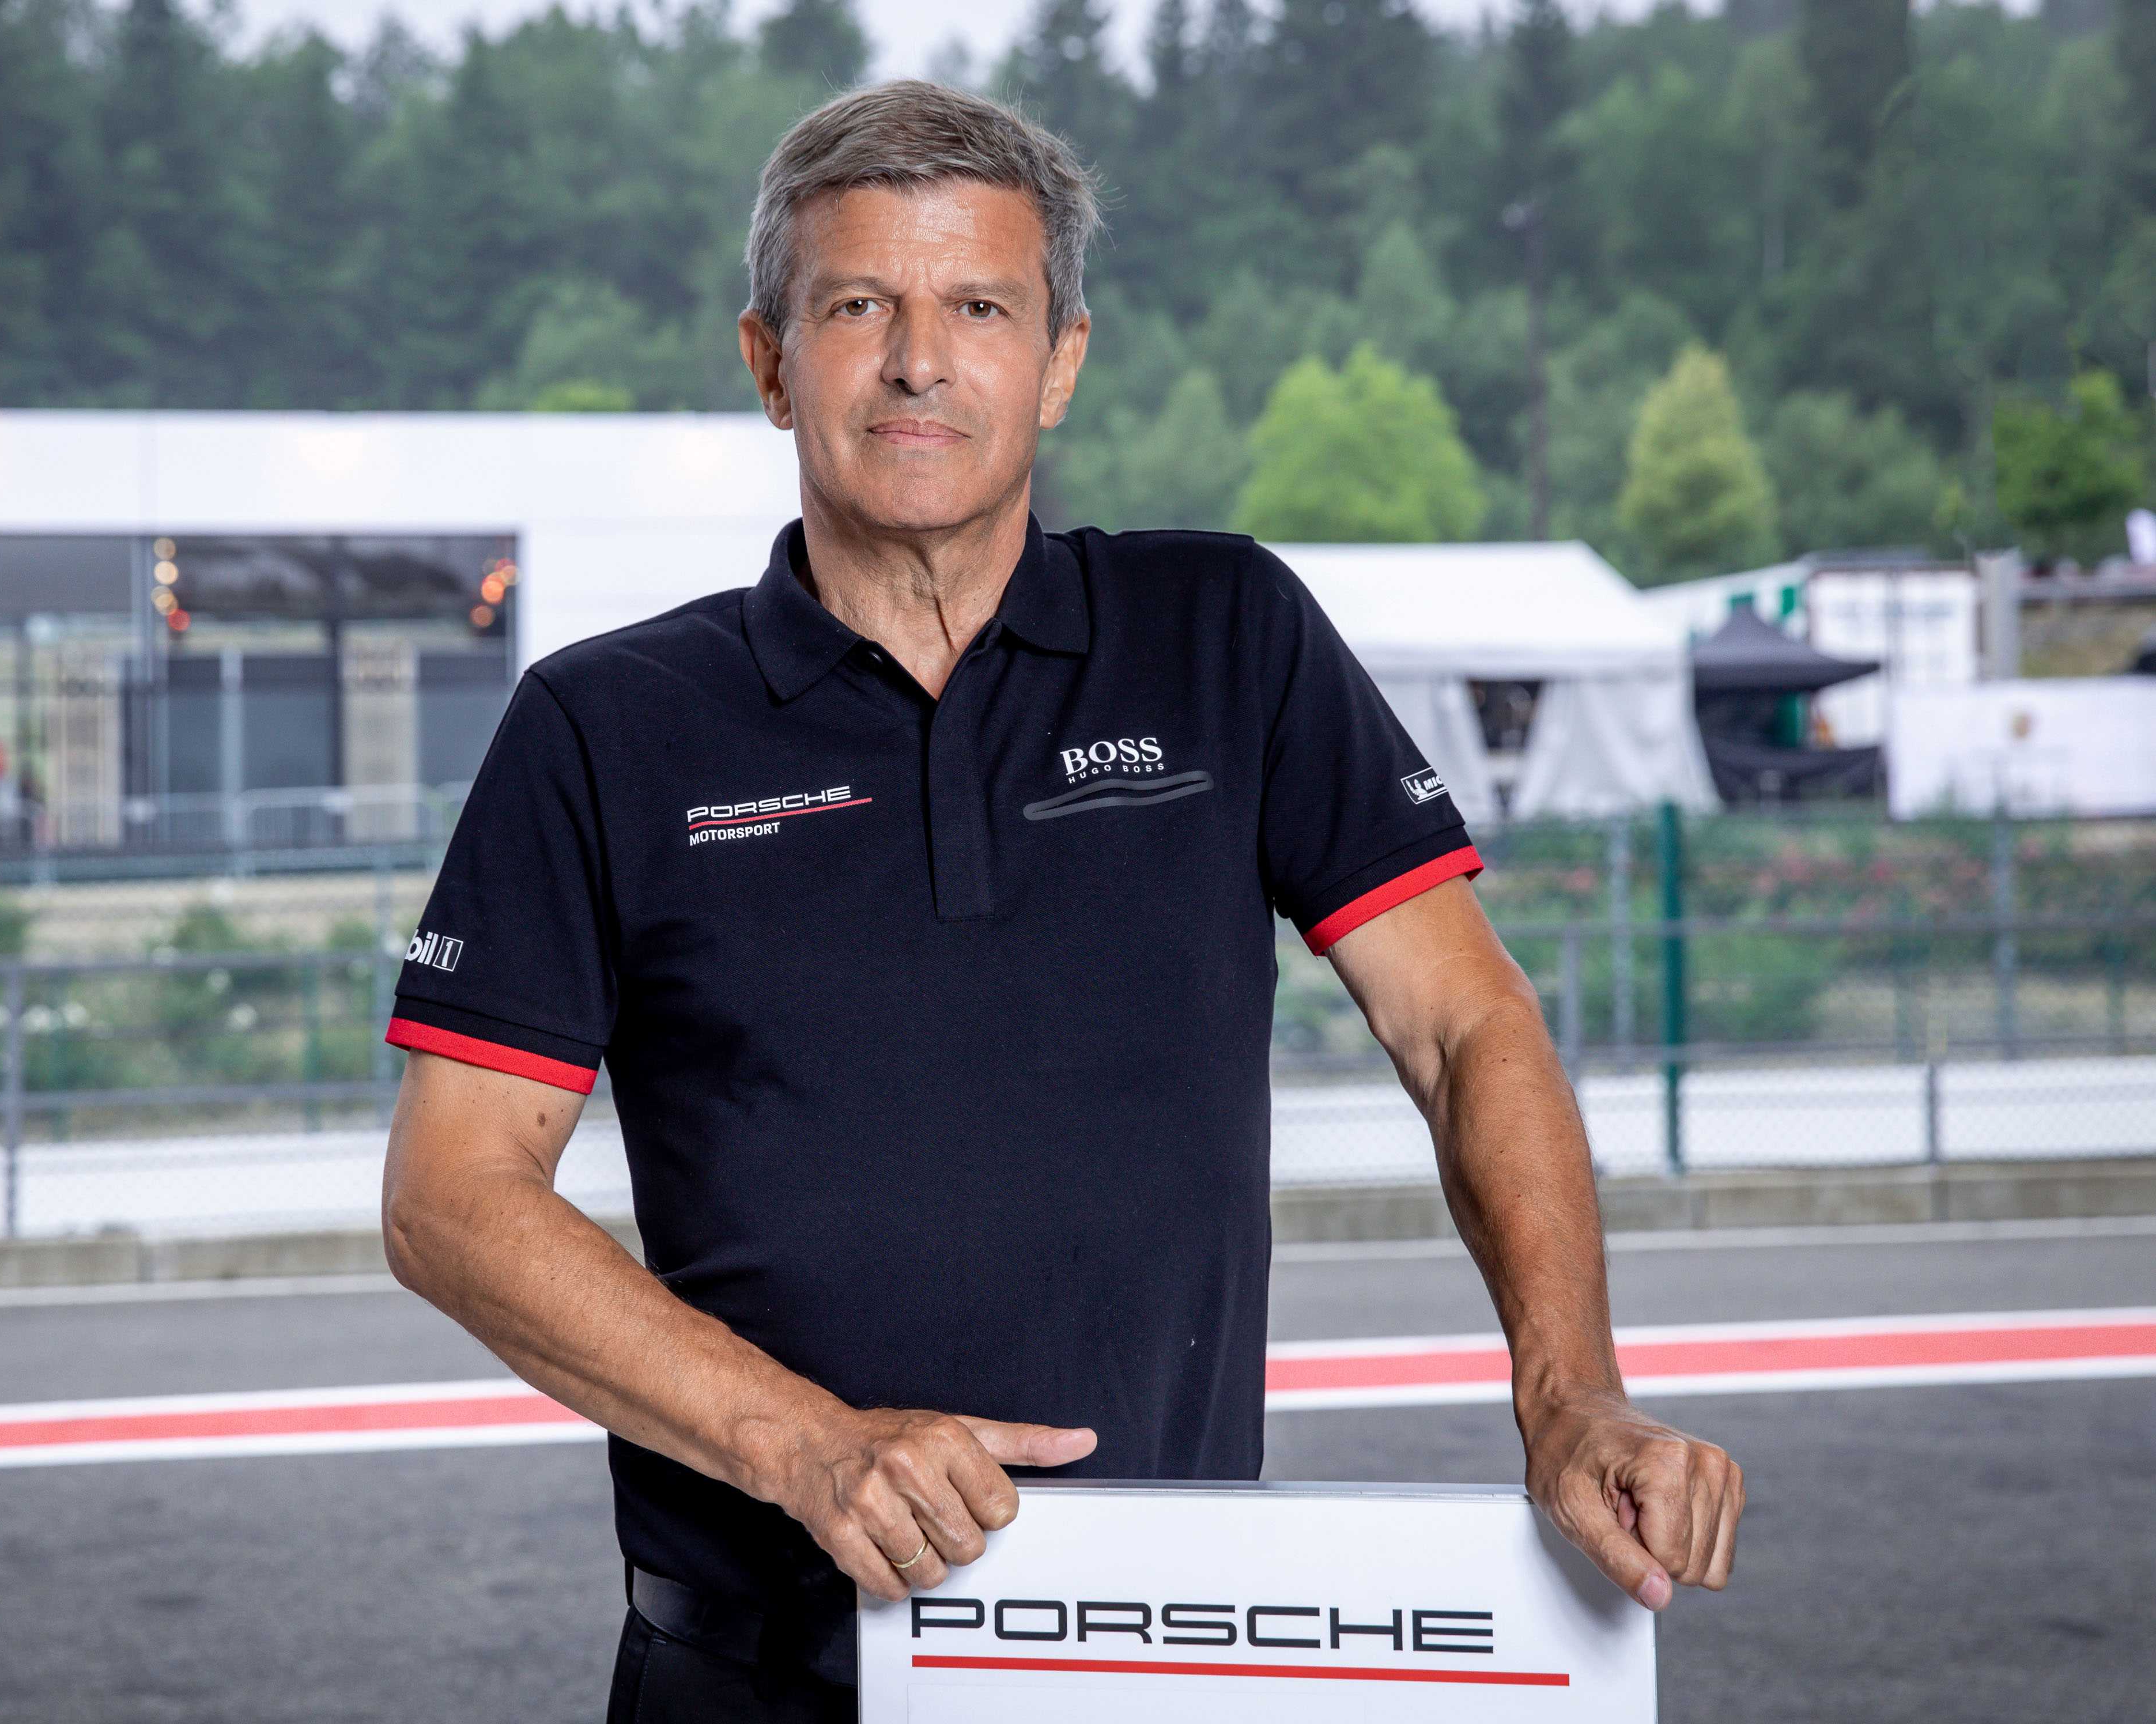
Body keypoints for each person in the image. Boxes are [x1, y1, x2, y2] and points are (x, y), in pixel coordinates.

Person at [380, 80, 1744, 1724]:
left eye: (980, 308)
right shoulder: (605, 726)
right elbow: (451, 1194)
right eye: (858, 307)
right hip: (752, 1671)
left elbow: (1465, 1026)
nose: (919, 362)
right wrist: (808, 1447)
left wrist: (1574, 1395)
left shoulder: (1226, 636)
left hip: (1160, 1651)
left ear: (1063, 360)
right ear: (769, 361)